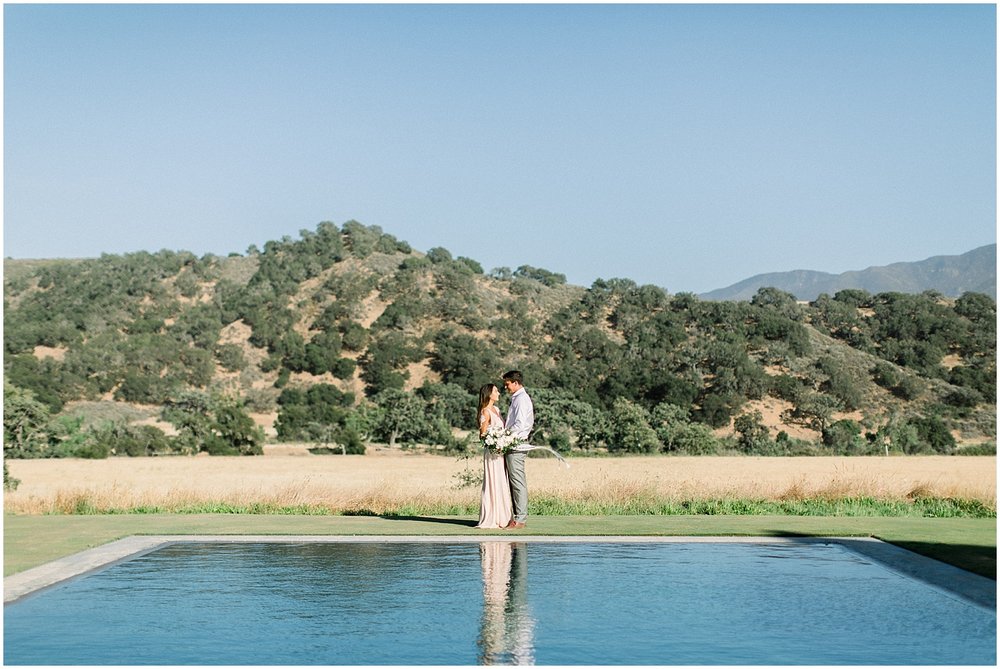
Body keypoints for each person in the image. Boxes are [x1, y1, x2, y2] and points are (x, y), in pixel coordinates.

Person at [475, 383, 513, 529]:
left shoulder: (496, 409)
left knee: (501, 482)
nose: (499, 393)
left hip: (500, 453)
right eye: (496, 391)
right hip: (492, 453)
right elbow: (482, 435)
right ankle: (491, 517)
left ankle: (502, 517)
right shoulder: (485, 412)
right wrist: (494, 442)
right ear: (489, 394)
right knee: (493, 483)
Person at [502, 370, 534, 529]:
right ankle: (517, 516)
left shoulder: (521, 399)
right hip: (512, 444)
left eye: (507, 384)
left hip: (517, 444)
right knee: (514, 482)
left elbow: (520, 425)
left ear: (515, 383)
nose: (505, 387)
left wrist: (504, 437)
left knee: (517, 482)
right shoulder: (517, 398)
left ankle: (520, 519)